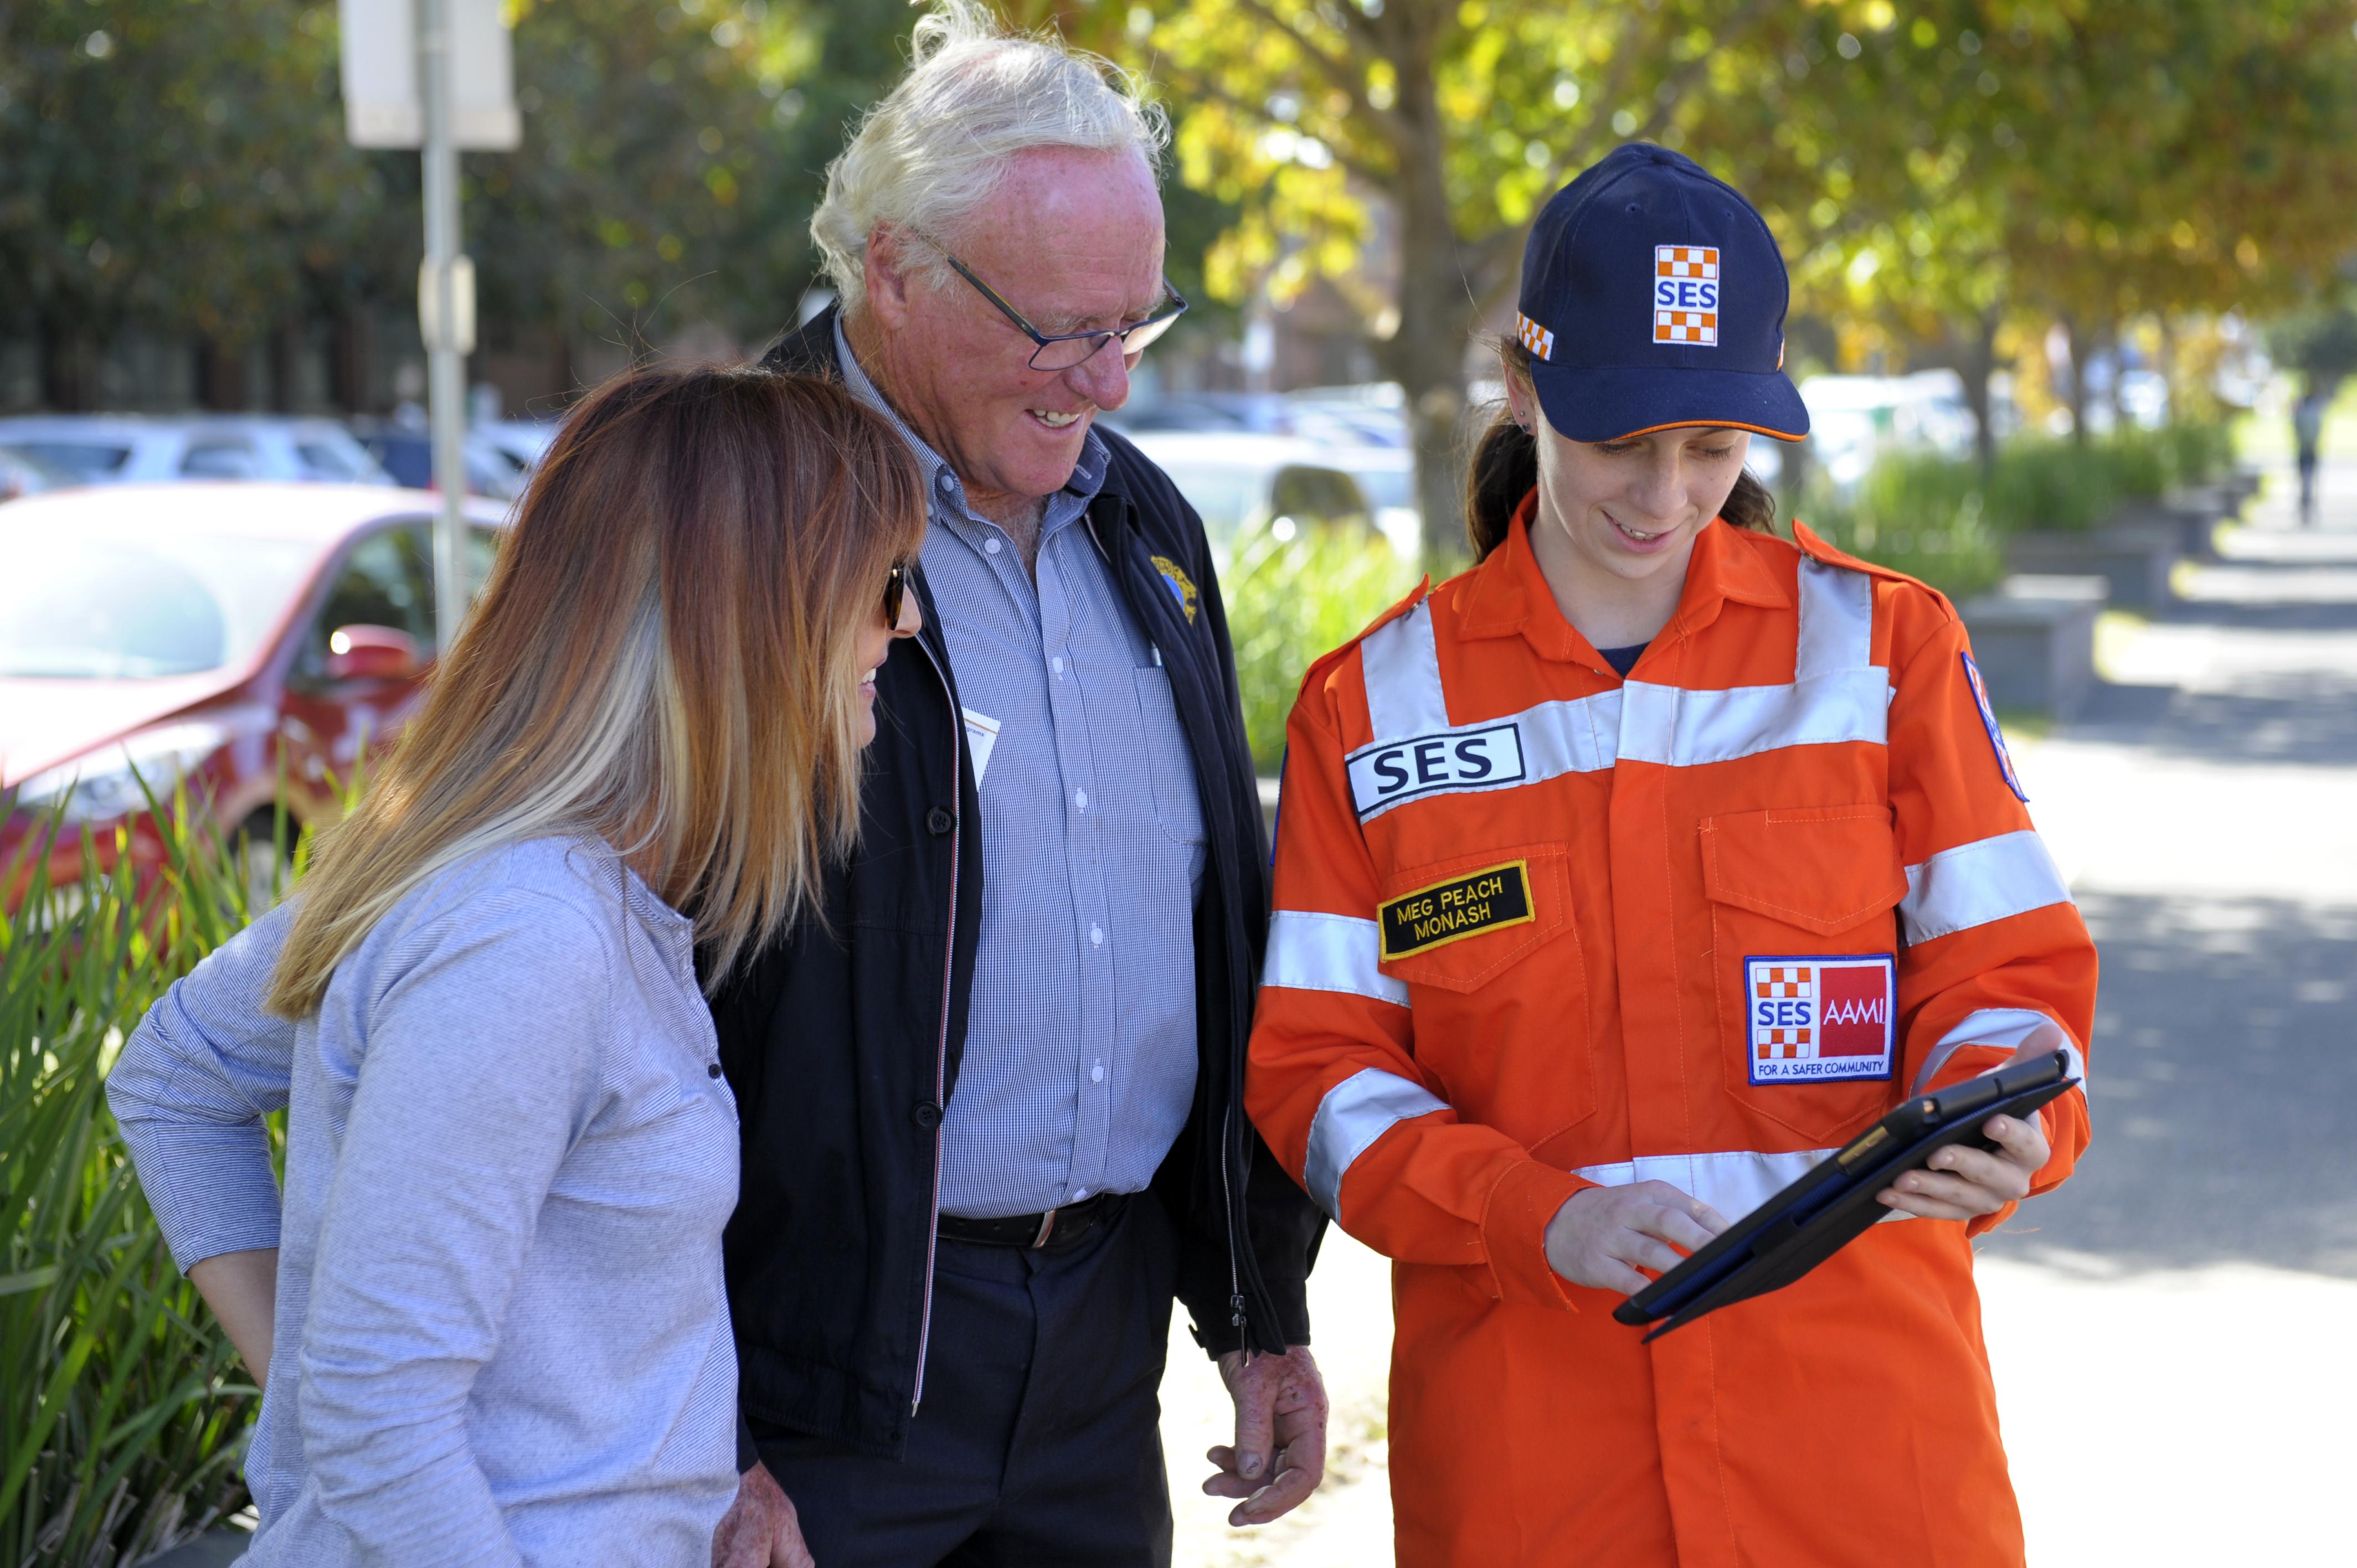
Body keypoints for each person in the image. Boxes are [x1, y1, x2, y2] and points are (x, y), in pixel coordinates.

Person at [1245, 143, 2098, 1568]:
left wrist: (2005, 1126)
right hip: (1536, 1472)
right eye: (1618, 444)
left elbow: (2008, 979)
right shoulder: (1373, 705)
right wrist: (1535, 1215)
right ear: (1524, 390)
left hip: (1865, 1459)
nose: (1664, 496)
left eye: (1712, 449)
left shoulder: (1888, 652)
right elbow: (1320, 1074)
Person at [105, 367, 929, 1566]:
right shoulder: (527, 934)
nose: (904, 623)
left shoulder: (554, 886)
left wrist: (323, 1406)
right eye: (884, 584)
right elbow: (378, 1415)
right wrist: (326, 1410)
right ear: (750, 611)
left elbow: (176, 1070)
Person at [716, 6, 1329, 1565]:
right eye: (1063, 328)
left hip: (1097, 1350)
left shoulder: (1148, 527)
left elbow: (1211, 924)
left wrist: (1258, 1307)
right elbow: (636, 992)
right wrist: (699, 1427)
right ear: (893, 269)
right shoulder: (730, 517)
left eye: (1138, 323)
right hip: (813, 1392)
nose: (1108, 381)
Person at [2294, 380, 2326, 524]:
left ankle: (2306, 507)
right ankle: (2309, 507)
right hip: (2311, 451)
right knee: (2311, 481)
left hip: (2303, 451)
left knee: (2304, 481)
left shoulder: (2301, 416)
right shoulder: (2314, 416)